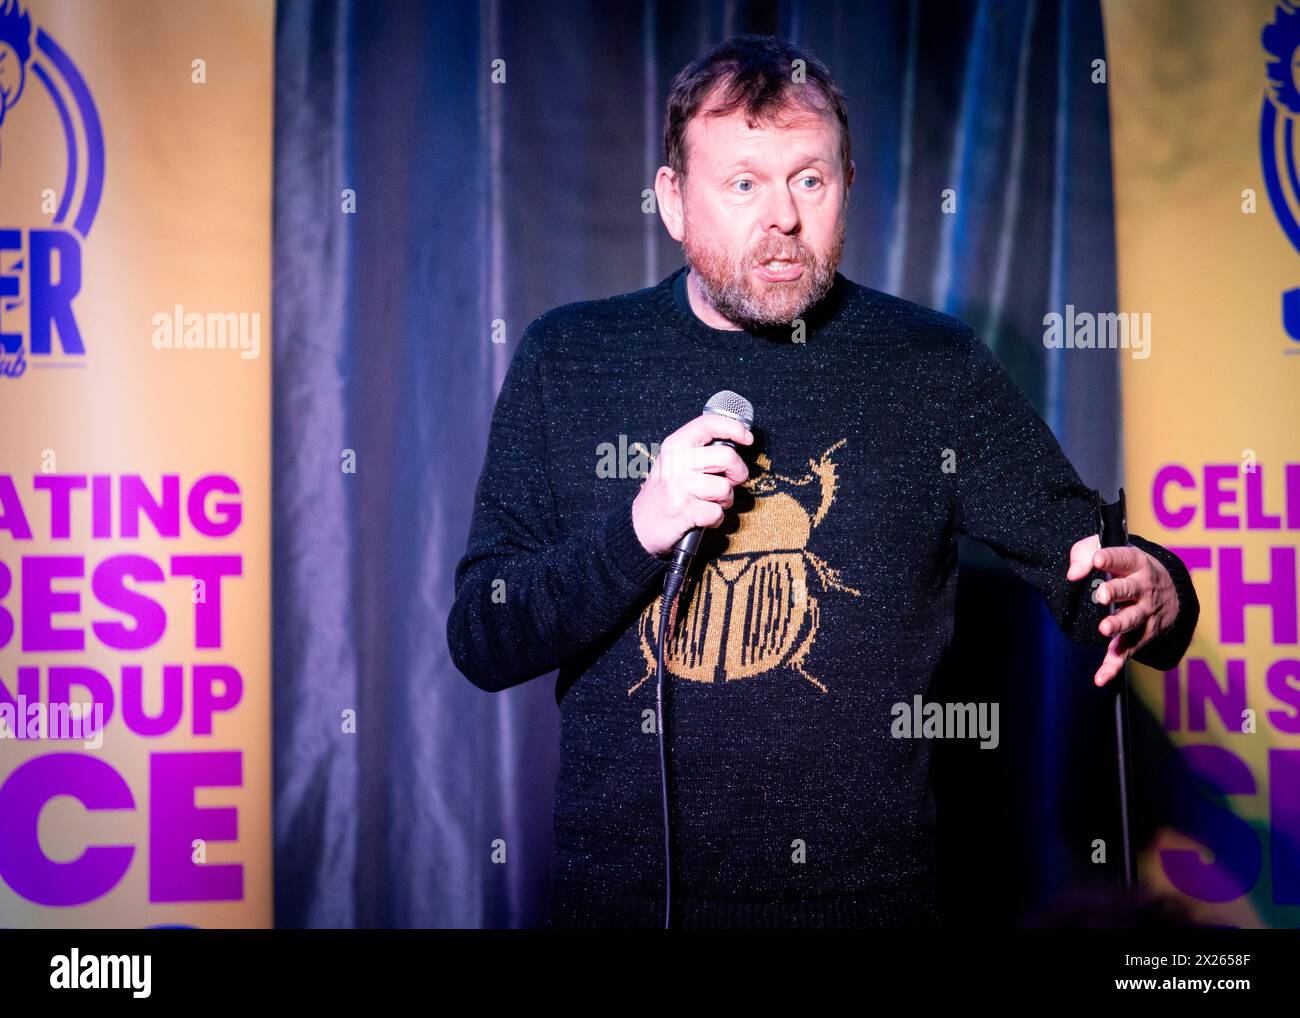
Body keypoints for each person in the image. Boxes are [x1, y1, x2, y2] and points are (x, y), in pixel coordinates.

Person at [445, 33, 1200, 928]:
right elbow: (484, 636)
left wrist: (1156, 589)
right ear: (673, 202)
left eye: (811, 180)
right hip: (626, 905)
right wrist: (637, 529)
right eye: (742, 184)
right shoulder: (569, 357)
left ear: (847, 189)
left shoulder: (931, 366)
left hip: (870, 905)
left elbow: (1098, 578)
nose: (784, 219)